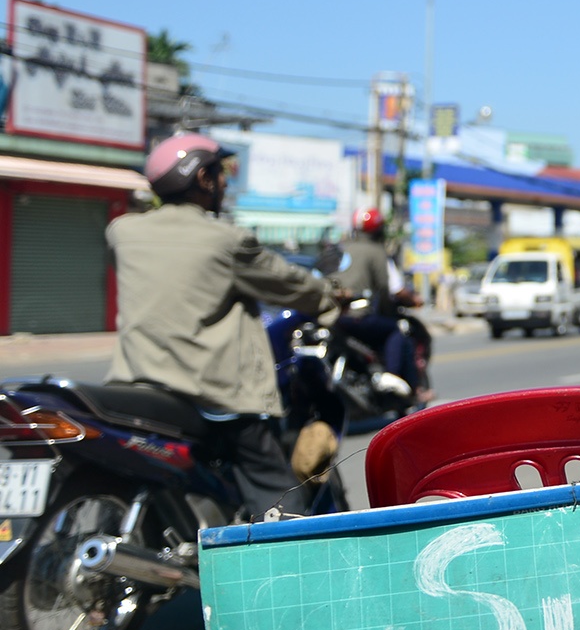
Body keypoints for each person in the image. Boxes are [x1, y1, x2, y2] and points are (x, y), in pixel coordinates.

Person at [107, 134, 339, 518]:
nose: (227, 182)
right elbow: (289, 283)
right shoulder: (226, 241)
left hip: (137, 384)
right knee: (274, 484)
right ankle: (288, 566)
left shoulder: (123, 233)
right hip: (208, 394)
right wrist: (330, 297)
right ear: (203, 178)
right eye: (222, 172)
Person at [331, 207, 420, 393]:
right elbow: (383, 288)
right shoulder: (376, 251)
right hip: (358, 315)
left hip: (332, 315)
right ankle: (391, 377)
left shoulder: (342, 248)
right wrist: (388, 312)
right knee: (394, 330)